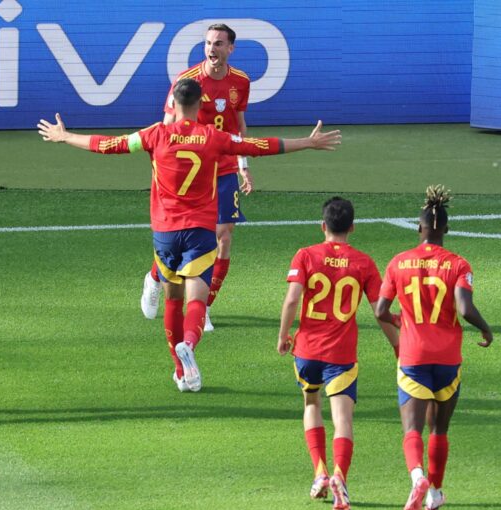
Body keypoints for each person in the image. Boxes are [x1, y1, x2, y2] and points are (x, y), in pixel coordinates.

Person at [39, 78, 340, 392]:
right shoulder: (213, 137)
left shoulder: (155, 135)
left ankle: (181, 371)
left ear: (174, 103)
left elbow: (107, 144)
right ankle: (190, 345)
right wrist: (307, 142)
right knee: (197, 299)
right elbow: (259, 146)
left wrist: (64, 136)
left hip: (166, 232)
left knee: (173, 300)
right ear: (200, 105)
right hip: (199, 231)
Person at [374, 185, 493, 510]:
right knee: (439, 429)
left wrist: (402, 320)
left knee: (412, 428)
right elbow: (465, 308)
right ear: (447, 230)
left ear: (419, 227)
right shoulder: (458, 264)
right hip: (448, 360)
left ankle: (417, 478)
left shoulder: (398, 262)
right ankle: (435, 493)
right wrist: (485, 328)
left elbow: (381, 311)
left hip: (413, 356)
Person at [277, 197, 399, 510]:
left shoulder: (305, 255)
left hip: (306, 351)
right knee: (343, 419)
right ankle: (340, 476)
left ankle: (319, 472)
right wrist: (398, 347)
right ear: (352, 227)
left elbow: (292, 299)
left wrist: (283, 335)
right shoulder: (364, 263)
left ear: (323, 226)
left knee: (311, 405)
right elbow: (380, 311)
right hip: (341, 355)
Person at [140, 23, 253, 332]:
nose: (211, 48)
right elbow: (166, 125)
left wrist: (244, 165)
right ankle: (154, 277)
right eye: (207, 43)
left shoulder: (240, 82)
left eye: (218, 43)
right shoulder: (188, 81)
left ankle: (203, 308)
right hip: (195, 167)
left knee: (224, 235)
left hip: (226, 163)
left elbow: (239, 125)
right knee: (188, 234)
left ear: (231, 48)